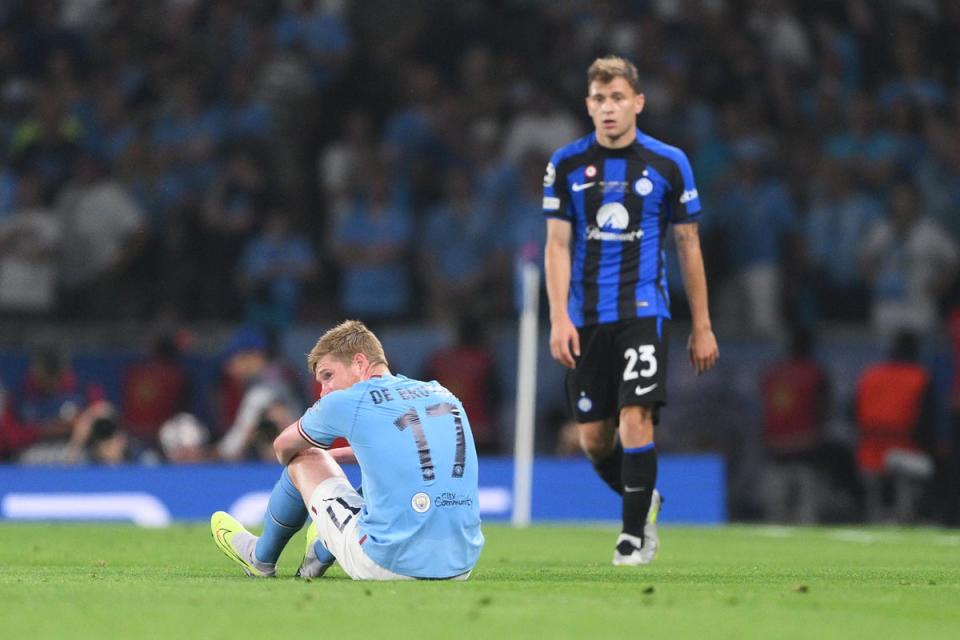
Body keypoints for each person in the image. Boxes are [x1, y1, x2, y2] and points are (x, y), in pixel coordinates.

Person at [543, 56, 719, 566]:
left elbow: (689, 245)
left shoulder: (668, 163)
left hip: (644, 309)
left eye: (618, 97)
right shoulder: (567, 164)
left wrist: (702, 325)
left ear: (637, 102)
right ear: (588, 106)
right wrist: (558, 317)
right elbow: (556, 245)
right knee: (594, 439)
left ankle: (632, 536)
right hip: (585, 316)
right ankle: (645, 500)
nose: (609, 108)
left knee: (636, 415)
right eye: (599, 99)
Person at [210, 320, 483, 580]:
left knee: (305, 456)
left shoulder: (347, 401)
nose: (324, 391)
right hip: (460, 565)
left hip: (387, 562)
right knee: (386, 480)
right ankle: (319, 550)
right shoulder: (442, 394)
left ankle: (261, 558)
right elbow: (418, 452)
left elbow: (282, 447)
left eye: (328, 376)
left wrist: (317, 458)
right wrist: (347, 454)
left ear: (360, 362)